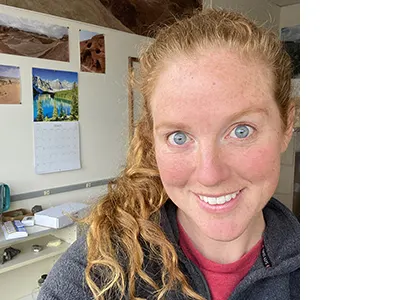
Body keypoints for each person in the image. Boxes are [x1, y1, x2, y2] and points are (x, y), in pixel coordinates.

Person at [38, 8, 299, 300]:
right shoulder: (102, 265)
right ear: (152, 138)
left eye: (241, 131)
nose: (210, 175)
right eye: (179, 137)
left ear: (287, 125)